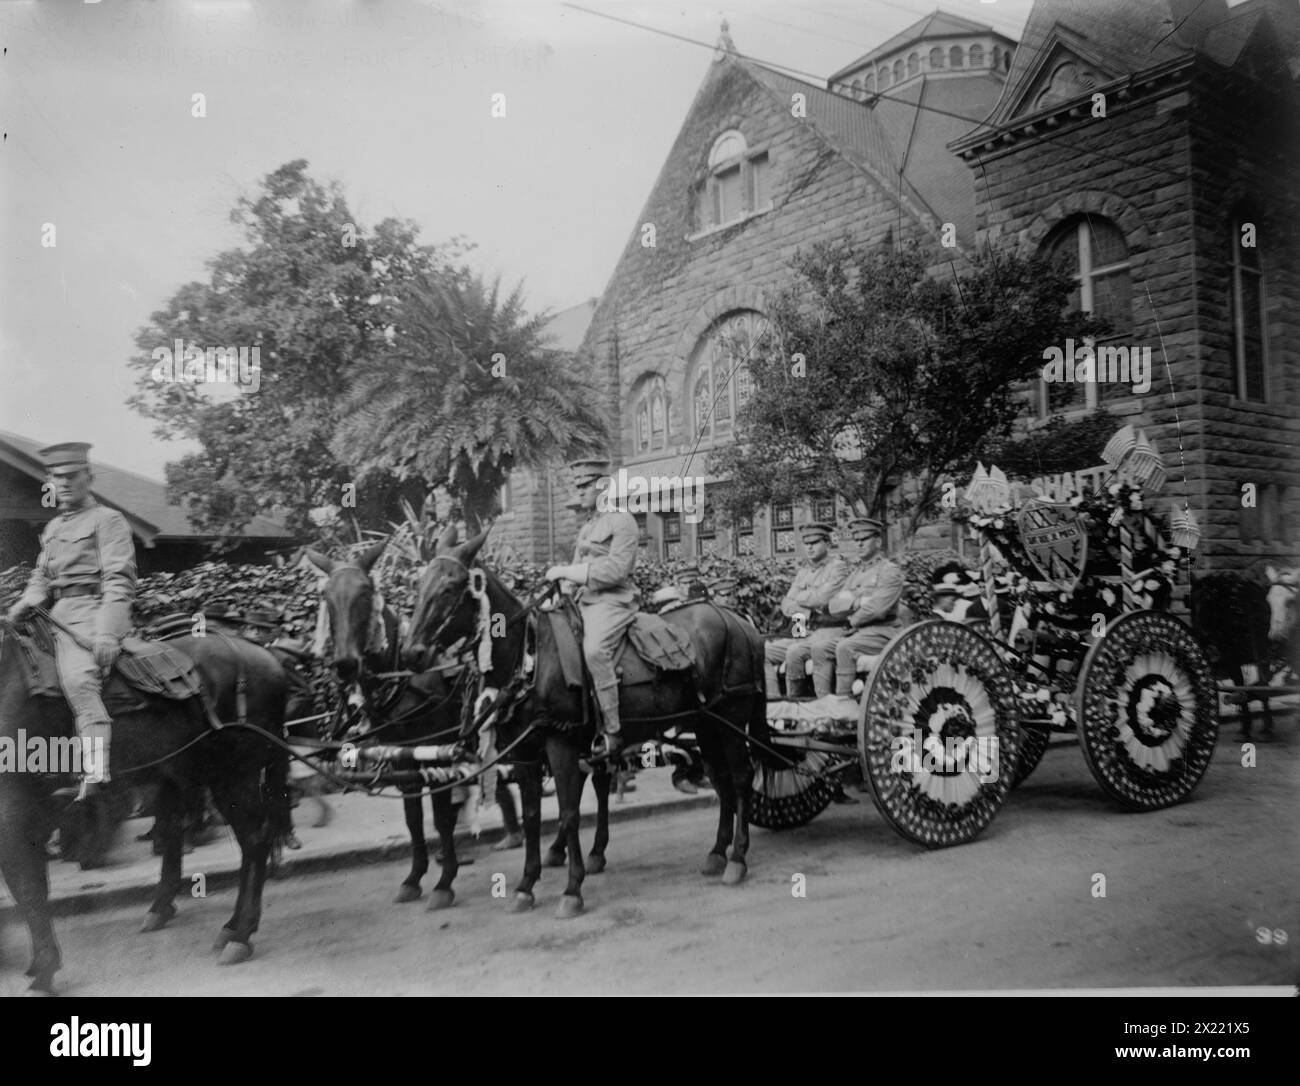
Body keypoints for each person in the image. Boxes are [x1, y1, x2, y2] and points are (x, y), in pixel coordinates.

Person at [6, 443, 135, 800]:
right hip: (53, 618)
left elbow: (119, 580)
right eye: (56, 477)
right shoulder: (52, 528)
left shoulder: (108, 521)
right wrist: (21, 605)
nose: (63, 483)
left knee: (79, 680)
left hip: (92, 615)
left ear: (88, 478)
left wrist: (108, 632)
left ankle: (95, 773)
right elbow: (41, 577)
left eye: (71, 476)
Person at [545, 457, 640, 761]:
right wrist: (558, 594)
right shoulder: (588, 527)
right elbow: (575, 570)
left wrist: (568, 573)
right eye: (578, 485)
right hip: (584, 602)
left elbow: (616, 570)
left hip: (613, 601)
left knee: (595, 651)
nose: (580, 491)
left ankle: (613, 732)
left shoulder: (622, 521)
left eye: (585, 485)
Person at [763, 522, 849, 699]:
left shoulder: (838, 567)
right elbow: (786, 605)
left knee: (794, 652)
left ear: (827, 543)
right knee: (762, 652)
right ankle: (776, 701)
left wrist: (800, 599)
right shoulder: (803, 572)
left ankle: (803, 702)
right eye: (806, 543)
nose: (809, 547)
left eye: (815, 542)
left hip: (829, 631)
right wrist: (808, 608)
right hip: (802, 630)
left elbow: (822, 599)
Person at [825, 517, 906, 698]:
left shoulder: (889, 571)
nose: (859, 544)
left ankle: (843, 704)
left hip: (884, 632)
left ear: (877, 541)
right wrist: (859, 602)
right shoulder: (856, 572)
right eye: (856, 540)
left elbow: (878, 609)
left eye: (864, 539)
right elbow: (833, 606)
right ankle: (823, 703)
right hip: (859, 632)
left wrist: (852, 616)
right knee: (820, 648)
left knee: (845, 647)